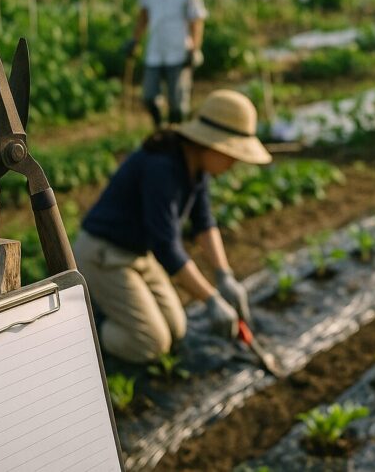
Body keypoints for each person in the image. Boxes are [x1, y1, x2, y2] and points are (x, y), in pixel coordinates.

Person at [73, 90, 271, 364]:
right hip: (103, 255)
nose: (234, 163)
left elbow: (204, 223)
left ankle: (115, 312)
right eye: (232, 154)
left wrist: (224, 275)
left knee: (177, 328)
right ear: (211, 144)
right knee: (149, 344)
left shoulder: (195, 166)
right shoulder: (162, 168)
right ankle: (84, 332)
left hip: (138, 255)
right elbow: (166, 246)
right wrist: (211, 299)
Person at [129, 0, 207, 127]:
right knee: (148, 96)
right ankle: (159, 128)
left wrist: (194, 48)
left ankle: (177, 137)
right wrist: (135, 40)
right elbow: (144, 14)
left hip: (178, 49)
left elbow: (196, 18)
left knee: (177, 104)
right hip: (155, 48)